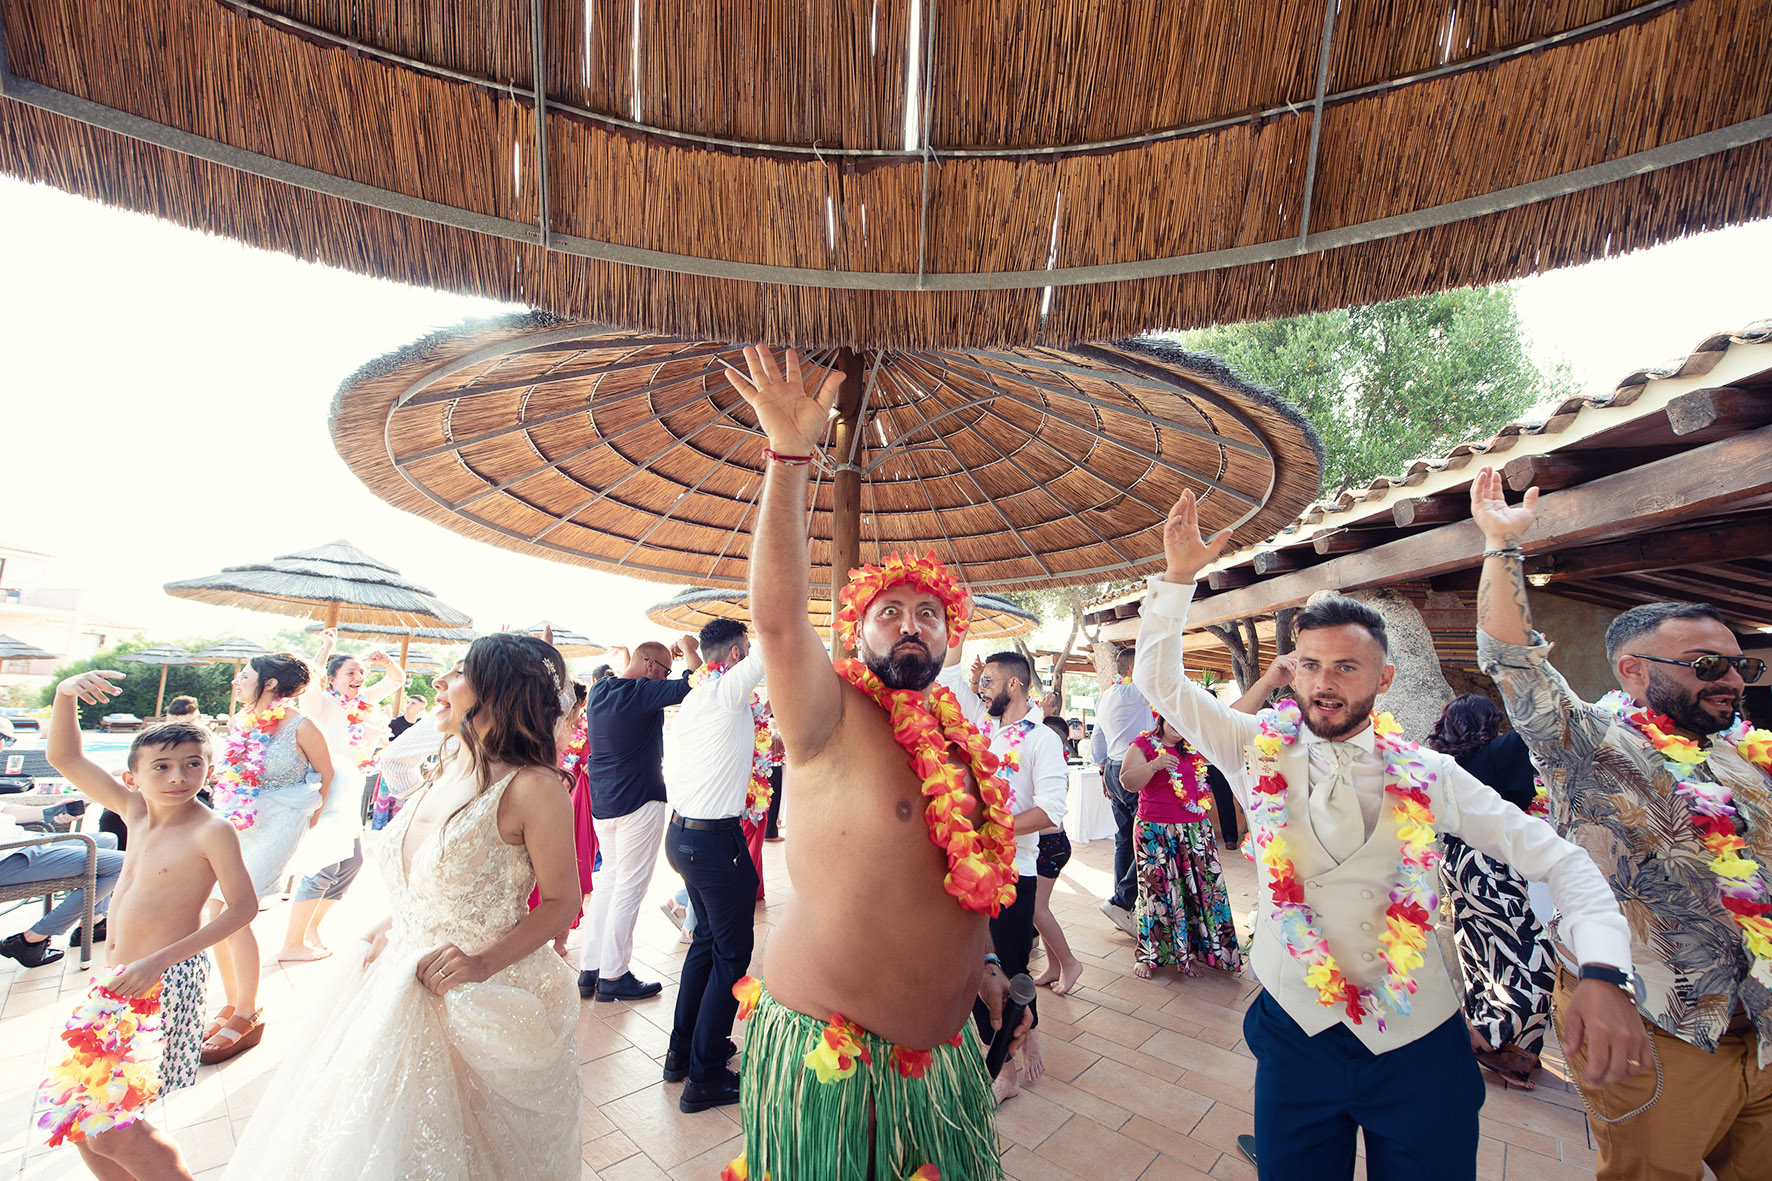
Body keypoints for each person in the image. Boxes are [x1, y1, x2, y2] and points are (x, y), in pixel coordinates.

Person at [1138, 486, 1648, 1181]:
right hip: (1295, 1034)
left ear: (1385, 675)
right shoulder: (1252, 746)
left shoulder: (1432, 773)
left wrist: (1602, 972)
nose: (1324, 681)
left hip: (1418, 1044)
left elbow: (1562, 862)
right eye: (1310, 664)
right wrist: (1176, 579)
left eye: (1346, 666)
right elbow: (1159, 683)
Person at [721, 346, 1029, 1180]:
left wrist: (987, 966)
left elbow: (955, 877)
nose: (911, 625)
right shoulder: (828, 715)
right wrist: (789, 459)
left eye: (928, 613)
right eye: (889, 611)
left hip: (941, 1064)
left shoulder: (956, 736)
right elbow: (780, 623)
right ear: (857, 633)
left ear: (950, 636)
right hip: (834, 1057)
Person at [1471, 465, 1772, 1179]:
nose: (1730, 679)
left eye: (1739, 665)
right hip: (1655, 1024)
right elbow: (1510, 659)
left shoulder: (1747, 758)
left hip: (1761, 1020)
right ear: (1634, 670)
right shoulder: (1589, 743)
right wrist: (1502, 547)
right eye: (1708, 664)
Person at [222, 633, 581, 1179]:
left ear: (501, 692)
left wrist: (482, 963)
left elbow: (561, 902)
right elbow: (429, 873)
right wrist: (395, 922)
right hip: (392, 973)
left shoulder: (535, 787)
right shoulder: (444, 763)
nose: (438, 684)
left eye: (457, 674)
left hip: (475, 992)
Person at [41, 672, 256, 1179]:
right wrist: (65, 695)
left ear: (208, 767)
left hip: (162, 980)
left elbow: (242, 909)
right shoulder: (135, 812)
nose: (179, 776)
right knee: (83, 1119)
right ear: (133, 776)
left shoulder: (211, 829)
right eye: (162, 766)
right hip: (116, 980)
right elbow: (65, 758)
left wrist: (158, 961)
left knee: (115, 1125)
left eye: (192, 764)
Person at [202, 651, 336, 1063]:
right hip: (239, 820)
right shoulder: (242, 722)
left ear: (271, 684)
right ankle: (231, 1001)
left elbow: (327, 774)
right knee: (213, 910)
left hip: (281, 822)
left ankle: (248, 1012)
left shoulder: (302, 725)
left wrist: (310, 820)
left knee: (235, 912)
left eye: (245, 675)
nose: (237, 682)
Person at [658, 617, 766, 1111]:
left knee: (706, 943)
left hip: (683, 836)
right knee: (732, 954)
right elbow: (774, 646)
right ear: (737, 655)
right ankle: (703, 1077)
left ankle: (682, 1053)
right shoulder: (724, 689)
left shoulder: (698, 695)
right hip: (713, 843)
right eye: (745, 651)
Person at [954, 650, 1067, 1104]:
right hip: (968, 866)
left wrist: (992, 828)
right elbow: (946, 673)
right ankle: (1024, 1033)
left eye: (990, 682)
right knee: (980, 966)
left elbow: (1052, 812)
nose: (982, 689)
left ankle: (1007, 1075)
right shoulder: (981, 726)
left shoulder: (1042, 740)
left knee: (1010, 967)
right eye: (980, 683)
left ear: (1015, 686)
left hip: (1012, 873)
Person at [1424, 693, 1553, 1089]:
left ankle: (1503, 1045)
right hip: (1490, 863)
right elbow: (1541, 720)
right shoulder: (1502, 749)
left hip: (1458, 861)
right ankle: (1492, 1042)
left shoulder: (1448, 764)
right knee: (1536, 958)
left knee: (1483, 953)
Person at [579, 633, 702, 1001]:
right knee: (628, 889)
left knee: (608, 883)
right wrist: (690, 652)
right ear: (650, 667)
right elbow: (698, 681)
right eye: (663, 672)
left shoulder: (600, 690)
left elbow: (643, 667)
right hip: (638, 801)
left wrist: (663, 656)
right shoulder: (642, 693)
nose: (664, 680)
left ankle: (591, 969)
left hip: (604, 803)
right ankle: (615, 975)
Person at [280, 633, 405, 963]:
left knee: (352, 863)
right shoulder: (321, 702)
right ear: (331, 678)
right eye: (350, 672)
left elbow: (396, 680)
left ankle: (310, 928)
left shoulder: (363, 703)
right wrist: (325, 649)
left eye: (362, 673)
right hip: (326, 784)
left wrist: (386, 661)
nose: (359, 678)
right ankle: (293, 941)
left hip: (354, 785)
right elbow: (308, 681)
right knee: (324, 865)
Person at [1119, 713, 1242, 981]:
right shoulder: (1143, 745)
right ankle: (1150, 953)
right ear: (1161, 719)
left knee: (1198, 892)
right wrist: (1155, 765)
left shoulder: (1193, 747)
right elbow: (1127, 782)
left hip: (1195, 829)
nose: (1179, 729)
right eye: (1174, 722)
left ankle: (1195, 953)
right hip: (1157, 830)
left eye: (1185, 723)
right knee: (1158, 893)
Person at [0, 799, 122, 968]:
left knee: (107, 840)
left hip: (27, 842)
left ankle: (93, 921)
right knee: (121, 865)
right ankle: (31, 940)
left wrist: (52, 811)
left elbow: (6, 810)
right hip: (9, 857)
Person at [1027, 717, 1084, 996]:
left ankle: (1070, 963)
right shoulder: (1043, 761)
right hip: (1045, 843)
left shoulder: (1055, 768)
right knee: (1042, 909)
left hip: (1051, 844)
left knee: (1037, 909)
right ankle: (1053, 966)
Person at [1096, 649, 1149, 937]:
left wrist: (1102, 770)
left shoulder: (1106, 696)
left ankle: (1122, 904)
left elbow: (1098, 737)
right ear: (1131, 669)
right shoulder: (1134, 692)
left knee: (1124, 839)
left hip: (1112, 766)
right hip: (1133, 766)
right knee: (1146, 836)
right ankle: (1122, 900)